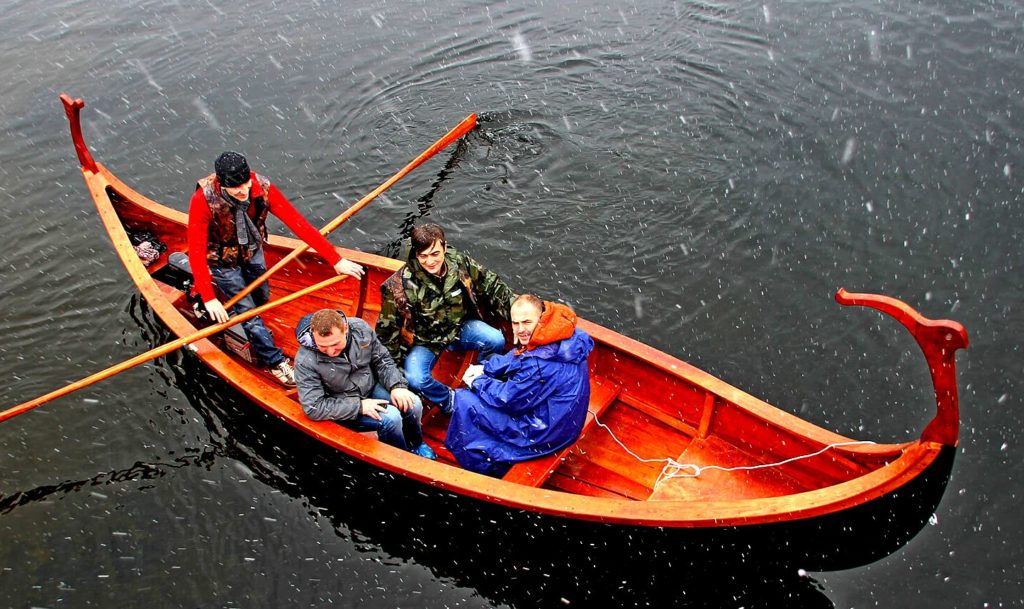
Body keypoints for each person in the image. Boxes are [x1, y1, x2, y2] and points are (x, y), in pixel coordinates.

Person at [187, 151, 364, 386]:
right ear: (221, 184)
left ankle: (251, 322)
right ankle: (275, 362)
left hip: (252, 250)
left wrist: (335, 259)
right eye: (235, 188)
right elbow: (196, 252)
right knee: (247, 312)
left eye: (245, 183)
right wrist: (209, 297)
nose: (243, 191)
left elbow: (298, 224)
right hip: (222, 262)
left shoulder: (262, 188)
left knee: (262, 297)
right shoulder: (203, 201)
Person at [444, 294, 594, 477]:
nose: (520, 329)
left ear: (540, 318)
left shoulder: (540, 364)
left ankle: (481, 467)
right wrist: (487, 368)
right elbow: (520, 355)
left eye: (526, 322)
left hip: (545, 434)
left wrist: (478, 381)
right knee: (494, 384)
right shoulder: (563, 334)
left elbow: (508, 399)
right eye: (515, 323)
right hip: (567, 425)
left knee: (465, 400)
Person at [376, 223, 515, 411]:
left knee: (495, 339)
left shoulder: (459, 262)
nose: (430, 261)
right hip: (424, 342)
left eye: (435, 253)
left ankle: (484, 379)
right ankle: (453, 402)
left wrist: (519, 309)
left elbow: (492, 286)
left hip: (459, 328)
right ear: (416, 254)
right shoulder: (397, 287)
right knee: (416, 378)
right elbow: (387, 334)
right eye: (423, 256)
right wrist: (396, 381)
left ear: (444, 246)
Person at [293, 309, 435, 459]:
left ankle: (416, 444)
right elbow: (313, 407)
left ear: (345, 328)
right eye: (322, 346)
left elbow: (382, 359)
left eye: (335, 344)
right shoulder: (305, 361)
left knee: (413, 403)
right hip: (344, 406)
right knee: (391, 419)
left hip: (370, 386)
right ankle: (402, 457)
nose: (330, 351)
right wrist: (359, 407)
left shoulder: (360, 329)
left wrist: (397, 385)